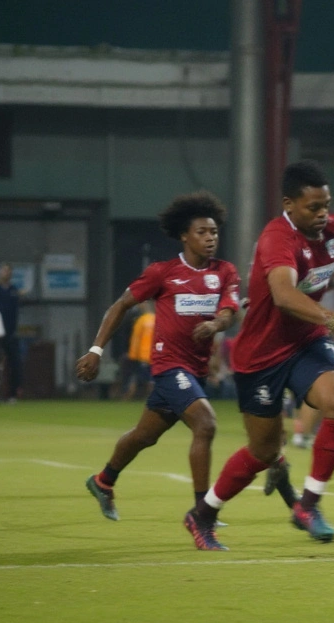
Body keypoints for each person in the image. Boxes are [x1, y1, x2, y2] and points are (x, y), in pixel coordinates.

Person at [187, 160, 334, 551]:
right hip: (261, 355)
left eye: (326, 205)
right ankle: (203, 515)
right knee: (264, 451)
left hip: (307, 342)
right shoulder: (277, 238)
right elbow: (285, 296)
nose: (323, 214)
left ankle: (308, 505)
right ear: (289, 204)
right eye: (313, 207)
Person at [73, 192, 291, 522]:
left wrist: (216, 324)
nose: (210, 238)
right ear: (184, 235)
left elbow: (229, 310)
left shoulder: (225, 272)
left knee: (143, 436)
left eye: (214, 232)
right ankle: (203, 510)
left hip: (196, 370)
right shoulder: (163, 273)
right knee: (206, 424)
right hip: (168, 366)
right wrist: (95, 350)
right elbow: (120, 305)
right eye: (202, 232)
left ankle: (103, 481)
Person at [0, 263, 23, 402]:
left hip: (10, 333)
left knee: (15, 363)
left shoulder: (13, 290)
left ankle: (13, 394)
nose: (5, 273)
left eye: (8, 270)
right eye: (3, 270)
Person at [122, 301, 156, 400]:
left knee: (136, 377)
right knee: (152, 379)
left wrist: (132, 355)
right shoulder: (157, 319)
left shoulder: (141, 321)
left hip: (143, 356)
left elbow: (135, 339)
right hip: (155, 355)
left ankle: (127, 396)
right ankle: (153, 398)